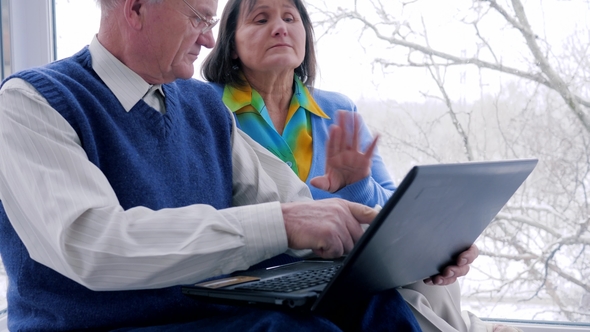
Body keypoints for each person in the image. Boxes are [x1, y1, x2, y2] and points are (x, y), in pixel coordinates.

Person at [0, 0, 477, 331]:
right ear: (137, 7)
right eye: (200, 18)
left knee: (375, 305)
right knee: (284, 328)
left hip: (205, 316)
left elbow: (292, 204)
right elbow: (92, 244)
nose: (210, 38)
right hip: (104, 325)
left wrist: (410, 246)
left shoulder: (202, 108)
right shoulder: (31, 102)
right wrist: (285, 224)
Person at [200, 1, 523, 331]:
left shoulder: (337, 108)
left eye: (289, 17)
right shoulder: (205, 108)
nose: (280, 27)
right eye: (260, 19)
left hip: (348, 265)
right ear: (231, 43)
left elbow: (393, 209)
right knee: (397, 300)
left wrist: (437, 243)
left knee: (433, 282)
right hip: (268, 274)